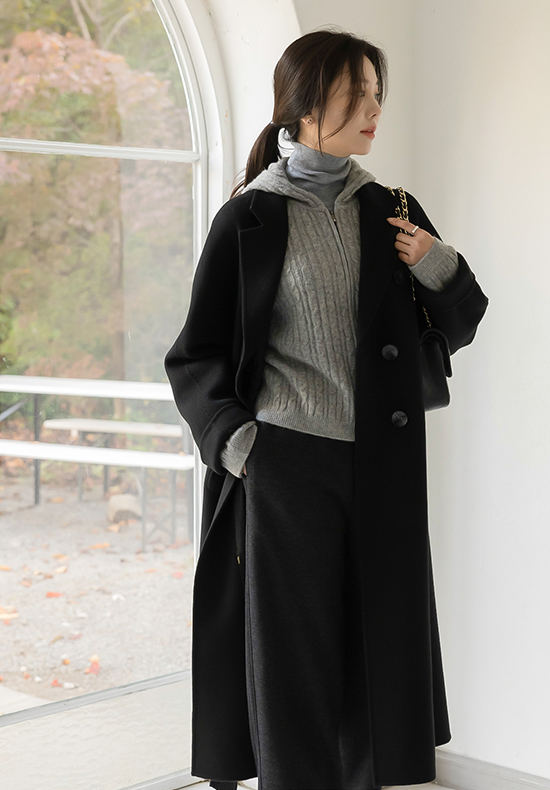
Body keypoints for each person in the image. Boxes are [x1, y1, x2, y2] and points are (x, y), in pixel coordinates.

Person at [164, 27, 489, 790]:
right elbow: (195, 353)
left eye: (377, 93)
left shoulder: (391, 209)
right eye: (357, 93)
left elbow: (463, 320)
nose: (375, 109)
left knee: (376, 656)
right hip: (286, 467)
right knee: (294, 662)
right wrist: (241, 446)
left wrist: (435, 262)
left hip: (382, 465)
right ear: (306, 104)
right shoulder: (249, 218)